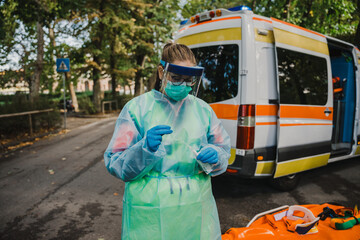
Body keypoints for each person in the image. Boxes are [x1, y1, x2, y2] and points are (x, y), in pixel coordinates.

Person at [104, 42, 231, 240]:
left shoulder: (203, 110)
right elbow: (115, 162)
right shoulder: (136, 109)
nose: (182, 84)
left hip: (196, 208)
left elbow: (222, 150)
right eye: (176, 77)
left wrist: (216, 156)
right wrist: (144, 149)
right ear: (162, 72)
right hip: (150, 215)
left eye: (188, 80)